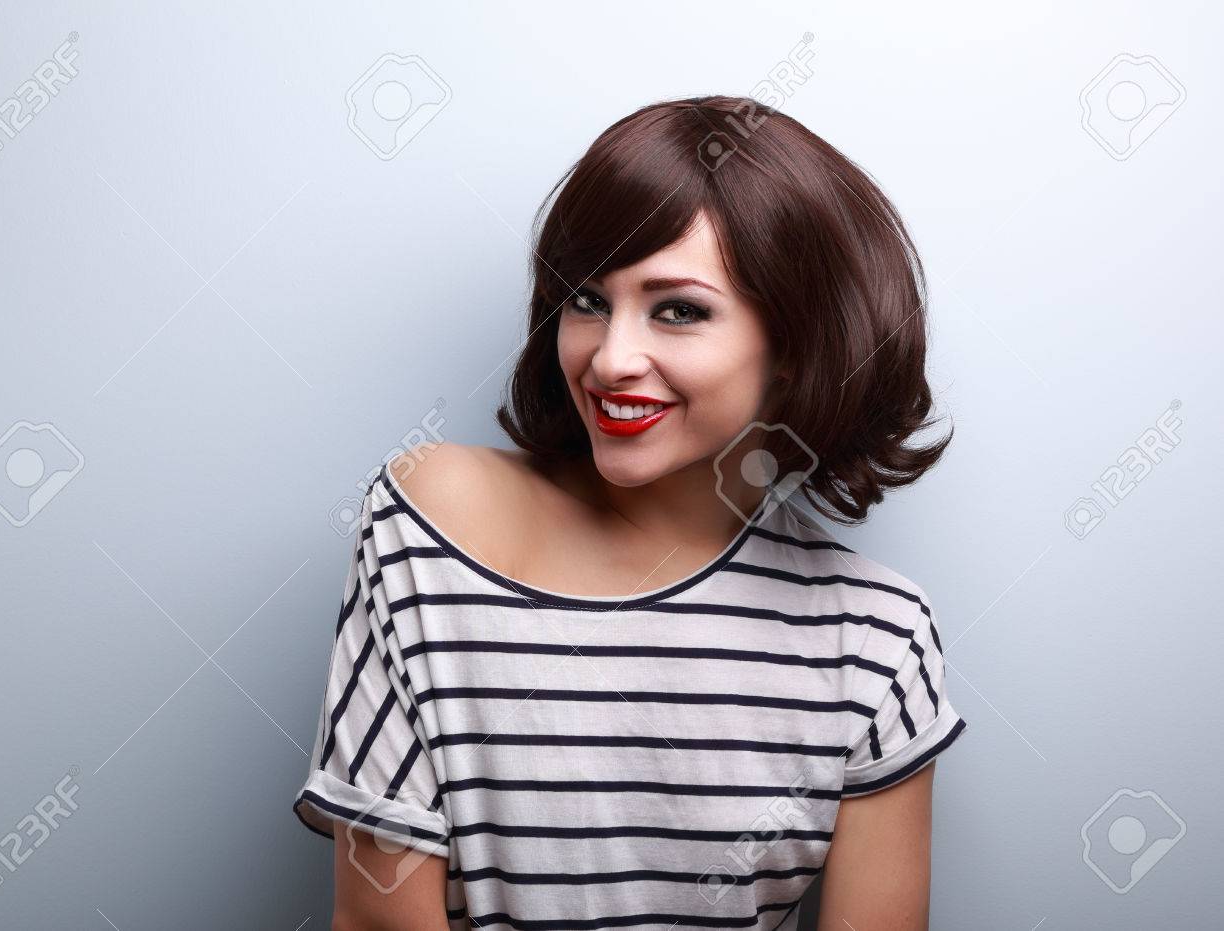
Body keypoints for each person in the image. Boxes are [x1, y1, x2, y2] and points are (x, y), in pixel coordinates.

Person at [293, 94, 968, 930]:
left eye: (678, 309)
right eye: (587, 299)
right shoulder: (432, 519)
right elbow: (373, 920)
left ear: (795, 349)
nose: (610, 359)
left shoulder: (875, 638)